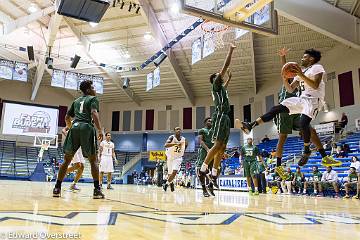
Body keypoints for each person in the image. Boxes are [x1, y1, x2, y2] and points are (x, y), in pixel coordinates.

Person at [237, 49, 341, 168]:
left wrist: (301, 75)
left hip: (314, 100)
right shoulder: (301, 72)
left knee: (303, 123)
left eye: (304, 57)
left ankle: (307, 150)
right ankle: (251, 125)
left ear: (311, 59)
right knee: (276, 108)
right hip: (302, 99)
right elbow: (290, 89)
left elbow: (315, 85)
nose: (302, 59)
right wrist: (285, 78)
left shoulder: (317, 67)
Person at [53, 80, 104, 199]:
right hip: (87, 127)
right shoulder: (93, 99)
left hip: (75, 127)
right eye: (92, 87)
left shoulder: (75, 101)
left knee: (66, 160)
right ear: (88, 90)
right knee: (93, 160)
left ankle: (57, 188)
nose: (94, 90)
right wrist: (100, 130)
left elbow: (67, 118)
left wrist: (72, 129)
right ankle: (97, 190)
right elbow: (94, 113)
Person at [199, 44, 236, 189]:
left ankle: (214, 174)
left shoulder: (221, 90)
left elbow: (225, 87)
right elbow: (225, 67)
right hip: (220, 115)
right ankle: (202, 170)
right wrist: (231, 51)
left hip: (226, 117)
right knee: (217, 144)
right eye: (218, 76)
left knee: (222, 148)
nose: (220, 76)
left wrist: (230, 79)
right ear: (215, 80)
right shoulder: (215, 85)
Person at [163, 127, 188, 192]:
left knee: (174, 172)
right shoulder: (171, 137)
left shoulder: (184, 139)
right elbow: (165, 145)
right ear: (174, 131)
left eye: (179, 129)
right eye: (177, 129)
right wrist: (175, 144)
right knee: (169, 173)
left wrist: (182, 151)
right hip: (170, 157)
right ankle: (171, 184)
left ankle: (166, 184)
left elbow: (186, 146)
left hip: (178, 158)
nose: (178, 130)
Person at [195, 117, 215, 197]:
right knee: (201, 170)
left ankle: (210, 185)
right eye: (208, 120)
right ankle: (204, 189)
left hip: (213, 151)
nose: (210, 121)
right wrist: (207, 149)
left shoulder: (214, 130)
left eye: (211, 121)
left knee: (214, 170)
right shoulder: (202, 130)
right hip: (204, 151)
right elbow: (201, 141)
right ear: (205, 122)